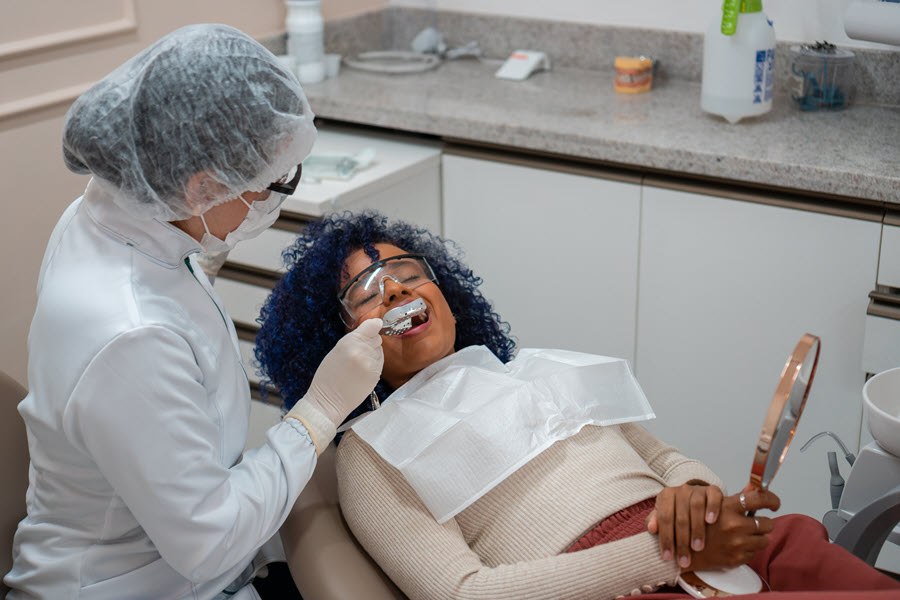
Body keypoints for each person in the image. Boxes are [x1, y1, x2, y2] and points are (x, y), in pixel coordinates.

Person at [255, 211, 900, 600]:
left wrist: (697, 496)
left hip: (720, 548)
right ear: (335, 343)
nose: (395, 286)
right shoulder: (373, 455)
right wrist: (673, 556)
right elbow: (464, 593)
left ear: (446, 293)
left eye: (408, 272)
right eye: (368, 291)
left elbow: (667, 460)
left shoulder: (537, 371)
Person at [3, 25, 384, 600]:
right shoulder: (130, 333)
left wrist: (196, 260)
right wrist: (321, 410)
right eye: (270, 184)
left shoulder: (109, 214)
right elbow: (209, 542)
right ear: (202, 188)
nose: (277, 201)